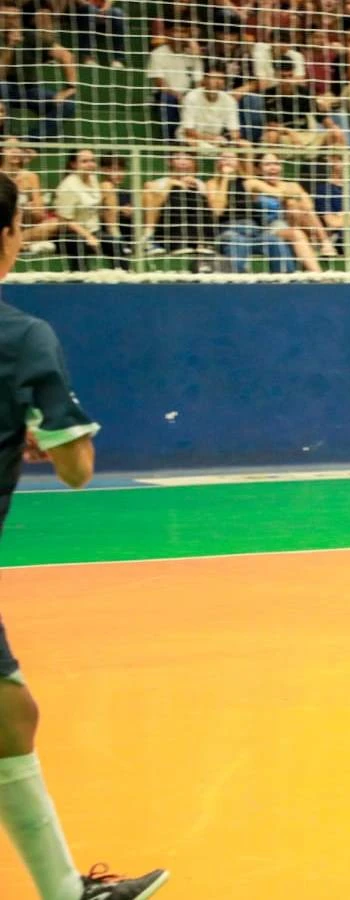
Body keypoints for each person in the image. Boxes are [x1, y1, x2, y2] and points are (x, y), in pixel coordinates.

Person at [0, 173, 169, 899]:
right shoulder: (21, 336)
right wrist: (47, 437)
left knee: (10, 715)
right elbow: (76, 467)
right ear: (10, 235)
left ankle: (65, 892)